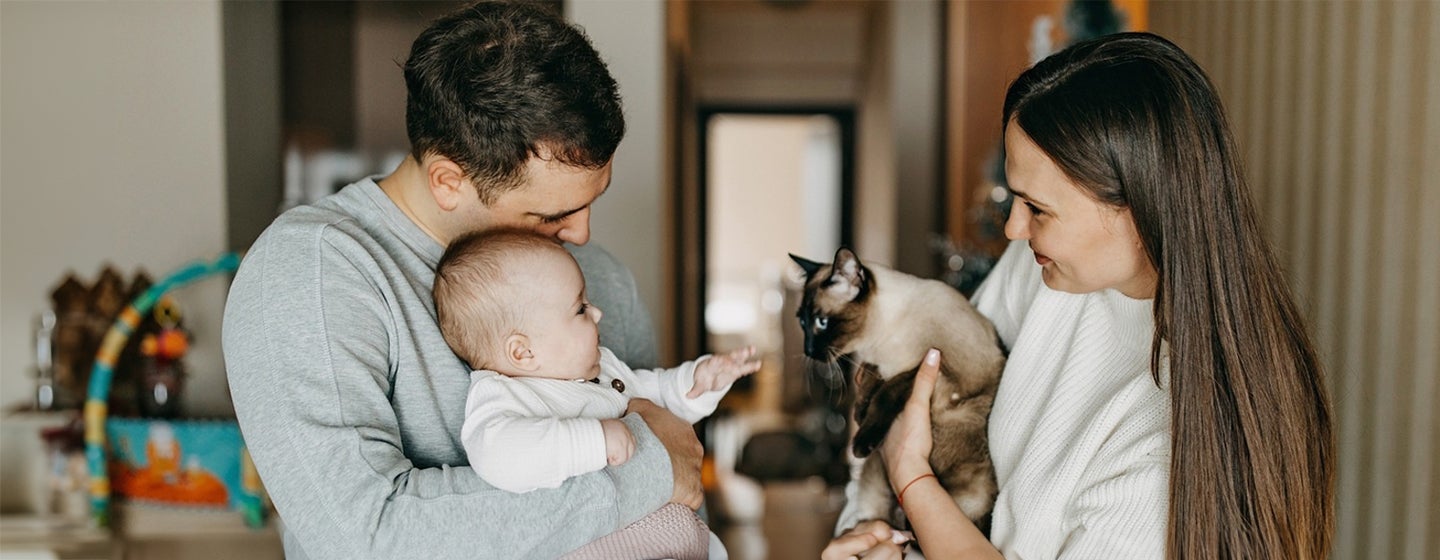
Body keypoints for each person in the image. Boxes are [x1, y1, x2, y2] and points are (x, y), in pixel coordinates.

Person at [222, 3, 708, 559]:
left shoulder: (603, 280)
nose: (581, 235)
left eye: (592, 199)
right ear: (449, 181)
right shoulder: (311, 274)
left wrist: (665, 466)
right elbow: (366, 537)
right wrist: (644, 472)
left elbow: (680, 505)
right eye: (551, 215)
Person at [823, 32, 1334, 560]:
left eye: (1037, 209)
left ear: (1139, 207)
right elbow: (914, 412)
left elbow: (907, 447)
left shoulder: (1177, 439)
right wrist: (877, 536)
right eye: (1015, 199)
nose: (1014, 229)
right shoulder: (1045, 270)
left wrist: (911, 477)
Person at [429, 230, 759, 558]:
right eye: (580, 309)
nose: (597, 313)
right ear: (523, 352)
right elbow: (499, 455)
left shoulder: (604, 367)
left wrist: (698, 380)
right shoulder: (506, 395)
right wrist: (592, 441)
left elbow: (655, 398)